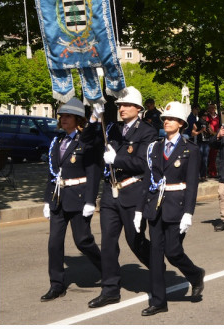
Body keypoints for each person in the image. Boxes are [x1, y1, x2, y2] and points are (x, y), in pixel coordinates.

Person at [84, 86, 156, 308]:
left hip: (133, 190)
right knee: (107, 242)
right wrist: (95, 118)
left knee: (135, 240)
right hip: (110, 192)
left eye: (126, 105)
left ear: (138, 108)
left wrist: (117, 160)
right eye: (119, 105)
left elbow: (144, 164)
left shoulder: (148, 131)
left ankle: (157, 269)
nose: (121, 109)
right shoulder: (112, 129)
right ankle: (110, 289)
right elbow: (85, 142)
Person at [138, 102, 205, 316]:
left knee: (173, 251)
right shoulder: (155, 148)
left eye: (171, 119)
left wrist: (188, 212)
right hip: (155, 207)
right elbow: (148, 180)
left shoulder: (190, 149)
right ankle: (158, 301)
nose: (166, 121)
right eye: (165, 119)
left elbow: (192, 184)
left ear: (181, 124)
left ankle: (195, 275)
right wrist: (140, 209)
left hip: (176, 206)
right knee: (156, 255)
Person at [40, 98, 102, 302]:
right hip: (58, 197)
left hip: (78, 197)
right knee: (53, 243)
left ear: (78, 119)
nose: (63, 119)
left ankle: (105, 266)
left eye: (68, 116)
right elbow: (53, 173)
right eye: (62, 116)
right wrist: (47, 200)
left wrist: (91, 201)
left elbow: (93, 172)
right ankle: (56, 284)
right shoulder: (57, 141)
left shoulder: (85, 140)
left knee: (82, 241)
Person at [192, 111, 211, 181]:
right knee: (199, 159)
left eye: (206, 116)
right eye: (204, 115)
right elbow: (193, 133)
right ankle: (198, 175)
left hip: (206, 142)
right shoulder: (196, 123)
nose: (205, 117)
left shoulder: (207, 123)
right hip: (199, 142)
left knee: (205, 159)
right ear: (200, 116)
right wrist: (201, 131)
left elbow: (211, 132)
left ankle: (204, 175)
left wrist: (209, 130)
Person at [206, 104, 220, 178]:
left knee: (214, 155)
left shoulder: (217, 117)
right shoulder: (208, 117)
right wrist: (213, 133)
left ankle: (213, 171)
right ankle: (211, 172)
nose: (212, 109)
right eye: (210, 108)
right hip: (210, 137)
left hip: (216, 137)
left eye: (213, 108)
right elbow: (208, 126)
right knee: (209, 155)